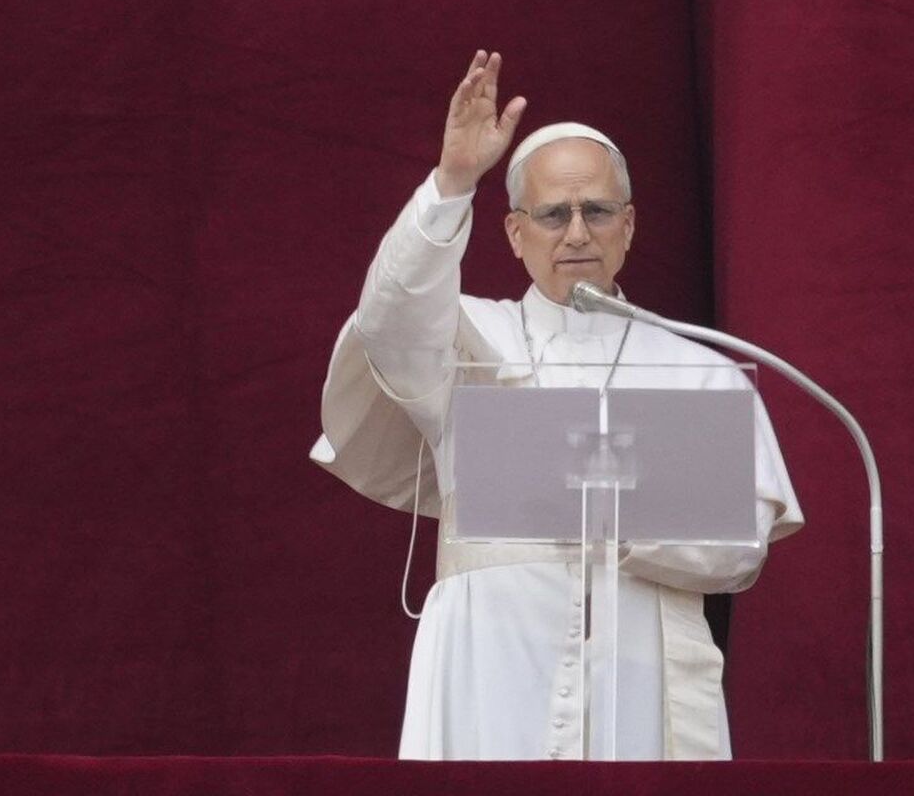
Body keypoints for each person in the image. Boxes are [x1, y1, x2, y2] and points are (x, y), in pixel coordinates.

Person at [309, 50, 803, 760]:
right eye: (552, 214)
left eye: (596, 211)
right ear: (516, 233)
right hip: (488, 669)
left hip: (639, 673)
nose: (576, 233)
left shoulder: (700, 371)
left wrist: (604, 515)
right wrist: (452, 183)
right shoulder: (465, 343)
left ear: (628, 226)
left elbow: (742, 547)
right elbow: (387, 321)